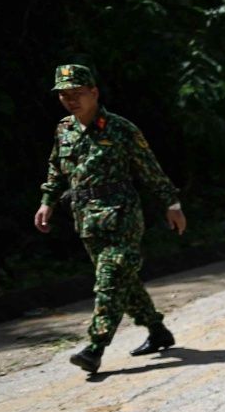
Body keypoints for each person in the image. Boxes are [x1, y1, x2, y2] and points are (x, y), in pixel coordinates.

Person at [34, 64, 187, 375]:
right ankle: (157, 331)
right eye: (64, 95)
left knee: (109, 282)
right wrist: (47, 202)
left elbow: (150, 168)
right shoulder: (64, 129)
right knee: (124, 281)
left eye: (77, 93)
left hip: (121, 217)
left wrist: (172, 204)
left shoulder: (121, 129)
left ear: (94, 92)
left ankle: (95, 348)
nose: (70, 100)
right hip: (87, 220)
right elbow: (55, 168)